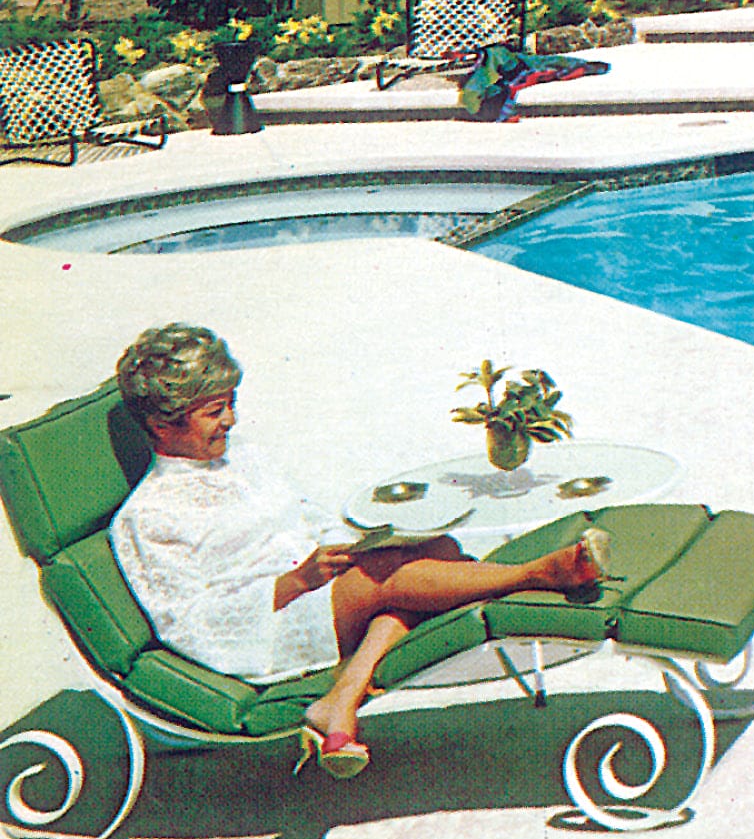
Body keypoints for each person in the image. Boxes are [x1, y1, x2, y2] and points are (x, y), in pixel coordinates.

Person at [106, 324, 609, 781]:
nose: (232, 420)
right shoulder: (148, 517)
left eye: (231, 403)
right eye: (215, 412)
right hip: (265, 631)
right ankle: (538, 573)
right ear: (161, 425)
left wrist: (345, 546)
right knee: (387, 576)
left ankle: (341, 698)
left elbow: (305, 514)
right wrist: (294, 584)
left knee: (437, 548)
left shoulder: (242, 460)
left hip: (319, 590)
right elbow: (188, 625)